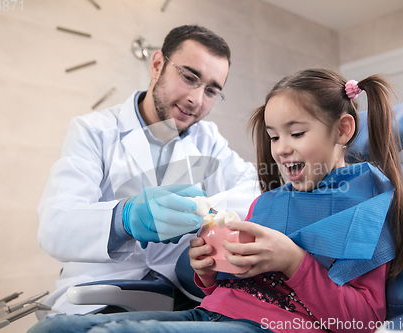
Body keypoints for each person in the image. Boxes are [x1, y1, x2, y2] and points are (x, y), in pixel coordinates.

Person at [29, 68, 403, 333]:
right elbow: (229, 292)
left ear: (343, 129)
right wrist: (208, 271)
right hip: (211, 312)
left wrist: (294, 261)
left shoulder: (364, 208)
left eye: (295, 133)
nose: (280, 149)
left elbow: (362, 322)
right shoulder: (268, 203)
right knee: (54, 326)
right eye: (273, 136)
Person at [37, 25, 260, 316]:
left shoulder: (208, 139)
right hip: (101, 294)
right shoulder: (94, 131)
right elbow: (55, 225)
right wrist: (124, 218)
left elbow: (256, 187)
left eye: (211, 90)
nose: (197, 99)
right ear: (157, 65)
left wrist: (205, 210)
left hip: (181, 294)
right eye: (189, 77)